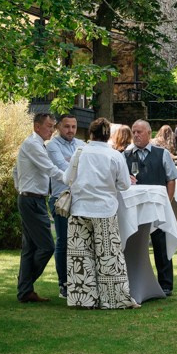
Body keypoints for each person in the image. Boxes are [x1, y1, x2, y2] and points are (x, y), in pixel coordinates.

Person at [63, 118, 138, 309]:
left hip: (80, 209)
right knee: (109, 257)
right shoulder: (114, 156)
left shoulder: (79, 152)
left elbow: (66, 178)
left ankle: (83, 299)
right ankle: (113, 299)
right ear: (108, 136)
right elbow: (124, 185)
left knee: (81, 257)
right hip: (104, 210)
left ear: (90, 134)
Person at [12, 112, 66, 303]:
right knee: (47, 246)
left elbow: (15, 170)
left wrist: (21, 188)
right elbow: (49, 169)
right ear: (37, 127)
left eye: (53, 126)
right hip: (32, 201)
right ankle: (25, 285)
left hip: (32, 199)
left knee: (30, 248)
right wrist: (71, 180)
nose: (52, 130)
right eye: (49, 126)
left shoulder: (34, 144)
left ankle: (25, 291)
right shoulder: (32, 144)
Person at [123, 120, 177, 296]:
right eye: (134, 132)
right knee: (132, 244)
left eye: (140, 132)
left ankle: (166, 284)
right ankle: (129, 281)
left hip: (156, 207)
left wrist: (167, 202)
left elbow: (171, 178)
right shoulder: (124, 155)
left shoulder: (161, 154)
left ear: (149, 133)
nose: (136, 135)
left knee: (160, 244)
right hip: (133, 208)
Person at [46, 114, 85, 299]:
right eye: (67, 126)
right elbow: (63, 169)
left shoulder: (81, 144)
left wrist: (73, 162)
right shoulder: (52, 145)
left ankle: (79, 279)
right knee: (63, 241)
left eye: (74, 126)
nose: (71, 130)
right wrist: (75, 164)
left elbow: (87, 168)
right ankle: (64, 283)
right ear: (58, 128)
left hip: (80, 198)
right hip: (60, 198)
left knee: (79, 241)